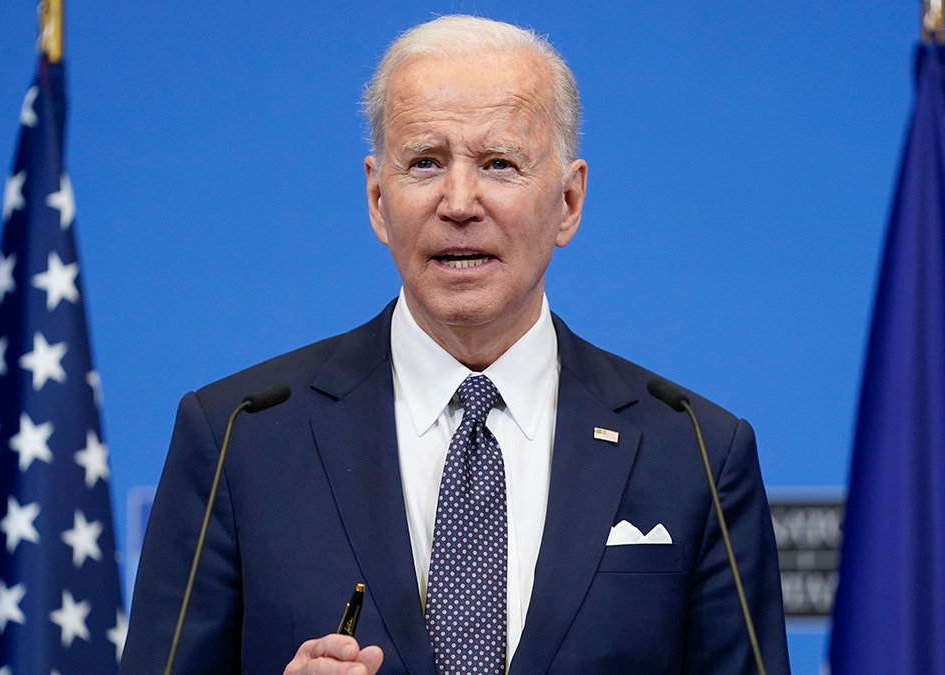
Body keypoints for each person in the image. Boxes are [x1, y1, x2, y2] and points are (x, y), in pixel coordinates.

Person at [121, 14, 789, 674]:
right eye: (425, 162)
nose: (459, 200)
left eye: (499, 163)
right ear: (379, 199)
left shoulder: (695, 451)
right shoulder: (239, 437)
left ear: (568, 201)